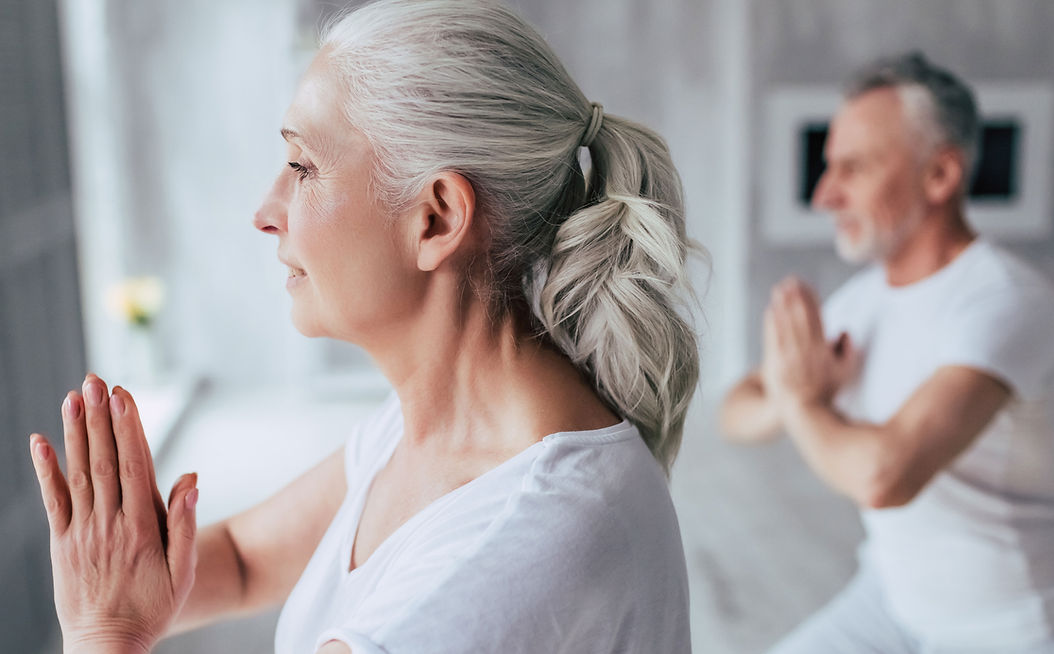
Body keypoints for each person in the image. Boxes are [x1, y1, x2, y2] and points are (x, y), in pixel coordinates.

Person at [26, 1, 701, 652]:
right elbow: (244, 561)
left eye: (302, 167)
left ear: (435, 218)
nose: (265, 211)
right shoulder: (431, 430)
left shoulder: (521, 537)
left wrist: (102, 633)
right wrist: (117, 574)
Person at [721, 52, 1054, 653]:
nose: (825, 195)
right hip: (891, 602)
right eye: (828, 168)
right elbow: (735, 408)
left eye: (853, 168)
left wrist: (803, 401)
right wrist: (791, 390)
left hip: (1023, 627)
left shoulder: (1004, 302)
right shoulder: (863, 300)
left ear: (939, 175)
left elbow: (884, 477)